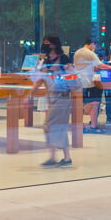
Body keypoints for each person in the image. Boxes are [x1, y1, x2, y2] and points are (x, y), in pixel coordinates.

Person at [32, 35, 73, 167]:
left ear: (54, 44)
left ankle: (58, 156)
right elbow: (40, 79)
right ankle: (62, 157)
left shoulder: (63, 58)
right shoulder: (46, 60)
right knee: (56, 126)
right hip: (52, 96)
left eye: (47, 43)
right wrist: (30, 94)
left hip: (63, 96)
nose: (45, 45)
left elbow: (70, 75)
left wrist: (50, 70)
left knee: (49, 125)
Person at [72, 37, 111, 133]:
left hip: (78, 81)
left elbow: (86, 66)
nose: (95, 47)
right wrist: (110, 67)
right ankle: (93, 125)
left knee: (80, 103)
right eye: (95, 45)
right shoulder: (90, 53)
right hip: (88, 83)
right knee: (95, 103)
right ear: (91, 44)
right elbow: (99, 65)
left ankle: (79, 124)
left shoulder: (77, 52)